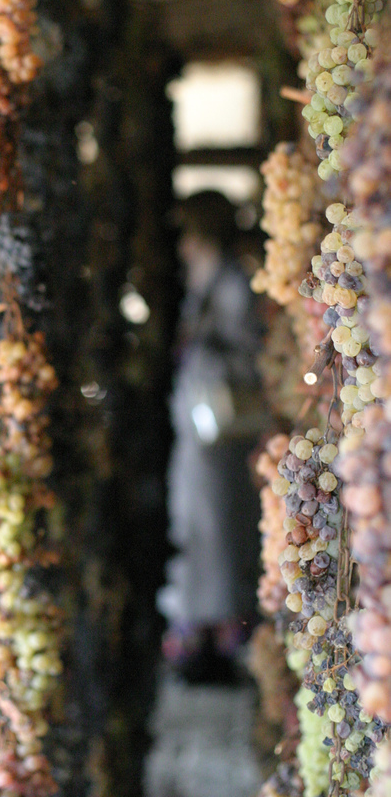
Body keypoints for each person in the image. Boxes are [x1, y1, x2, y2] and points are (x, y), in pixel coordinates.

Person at [157, 189, 264, 683]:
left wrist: (198, 355)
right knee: (201, 531)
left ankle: (215, 643)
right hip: (200, 430)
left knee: (217, 532)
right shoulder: (208, 278)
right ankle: (205, 639)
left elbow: (246, 355)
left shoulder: (233, 281)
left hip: (218, 434)